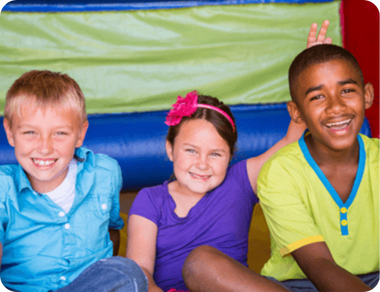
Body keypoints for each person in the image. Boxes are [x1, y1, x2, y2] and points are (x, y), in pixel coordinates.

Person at [0, 70, 148, 292]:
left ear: (80, 133)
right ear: (10, 133)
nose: (45, 147)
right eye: (30, 132)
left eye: (59, 133)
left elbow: (111, 232)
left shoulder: (104, 173)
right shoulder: (4, 187)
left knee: (127, 272)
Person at [257, 44, 380, 291]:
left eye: (346, 90)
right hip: (300, 285)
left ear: (367, 95)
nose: (336, 106)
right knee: (203, 263)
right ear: (296, 112)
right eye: (317, 97)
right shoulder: (280, 171)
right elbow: (317, 262)